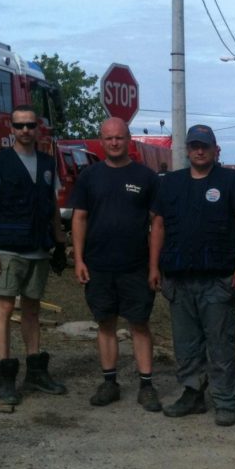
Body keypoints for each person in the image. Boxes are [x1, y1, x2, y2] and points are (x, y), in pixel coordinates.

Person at [148, 124, 235, 427]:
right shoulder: (170, 183)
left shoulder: (230, 181)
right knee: (186, 345)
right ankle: (192, 394)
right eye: (194, 145)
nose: (200, 150)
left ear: (216, 150)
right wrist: (153, 267)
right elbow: (158, 227)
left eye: (205, 145)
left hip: (218, 279)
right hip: (179, 280)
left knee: (220, 344)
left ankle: (225, 400)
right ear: (188, 150)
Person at [71, 117, 161, 411]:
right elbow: (79, 218)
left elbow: (157, 223)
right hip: (98, 265)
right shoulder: (89, 176)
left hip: (135, 265)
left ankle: (146, 385)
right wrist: (79, 259)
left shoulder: (145, 177)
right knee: (105, 323)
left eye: (119, 138)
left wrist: (154, 266)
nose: (113, 143)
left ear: (128, 139)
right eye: (108, 138)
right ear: (101, 139)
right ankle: (109, 383)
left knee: (139, 325)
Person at [0, 104, 68, 404]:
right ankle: (6, 376)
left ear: (38, 127)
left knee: (32, 310)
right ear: (11, 129)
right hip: (7, 248)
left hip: (38, 249)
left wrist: (59, 242)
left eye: (30, 125)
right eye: (19, 126)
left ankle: (35, 371)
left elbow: (53, 206)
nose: (25, 131)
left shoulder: (47, 164)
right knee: (4, 309)